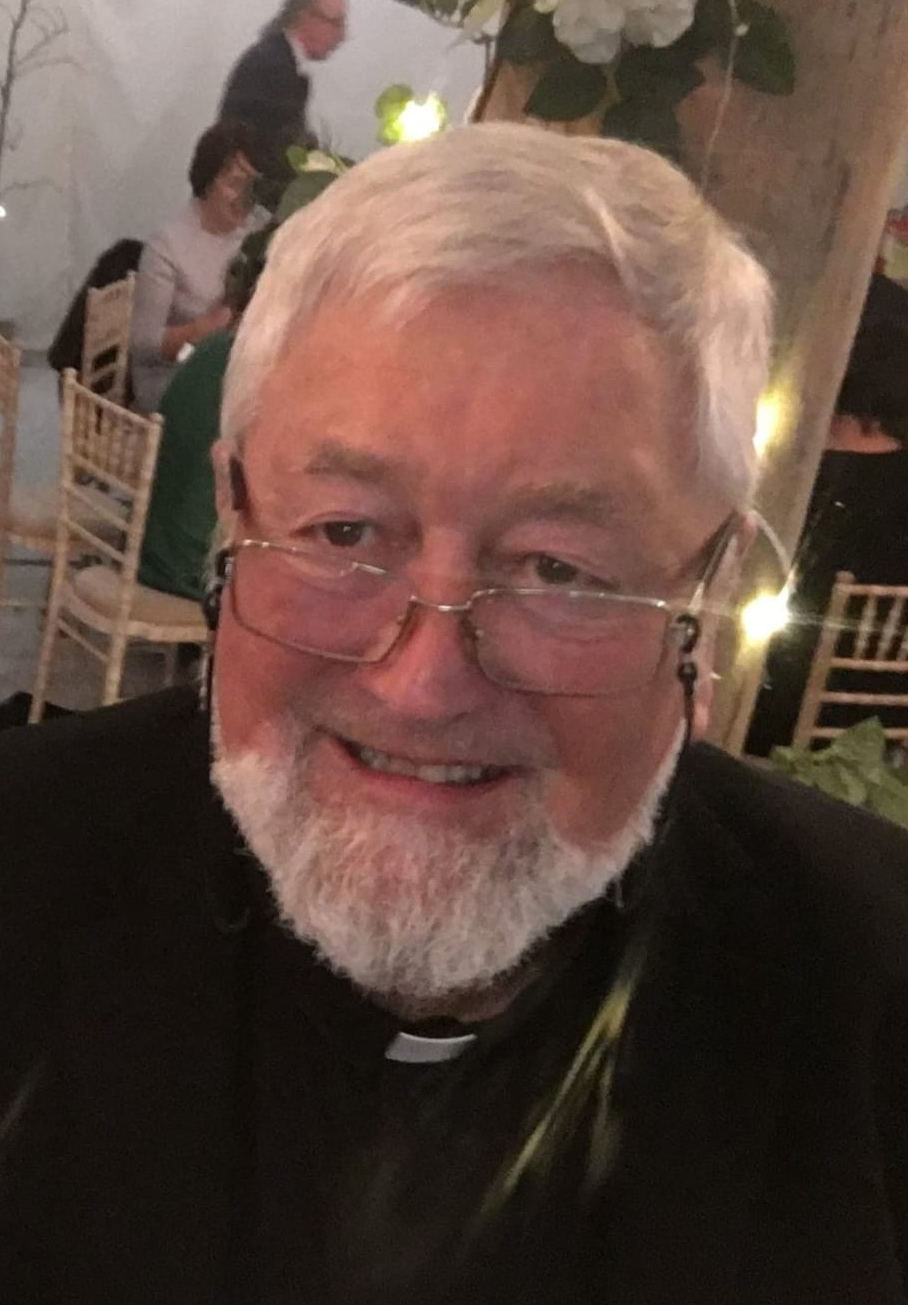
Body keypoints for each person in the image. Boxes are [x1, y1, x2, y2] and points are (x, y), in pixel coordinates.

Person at [1, 125, 906, 1305]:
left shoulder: (872, 987)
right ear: (234, 512)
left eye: (556, 569)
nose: (422, 684)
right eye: (343, 532)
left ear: (705, 587)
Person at [130, 121, 263, 415]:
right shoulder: (167, 246)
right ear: (206, 182)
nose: (245, 198)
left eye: (252, 185)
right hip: (171, 375)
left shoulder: (254, 233)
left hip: (228, 367)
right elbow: (142, 344)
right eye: (234, 184)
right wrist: (200, 330)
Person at [219, 0, 348, 183]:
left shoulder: (274, 59)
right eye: (336, 23)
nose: (342, 36)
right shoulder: (275, 68)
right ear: (307, 17)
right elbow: (276, 155)